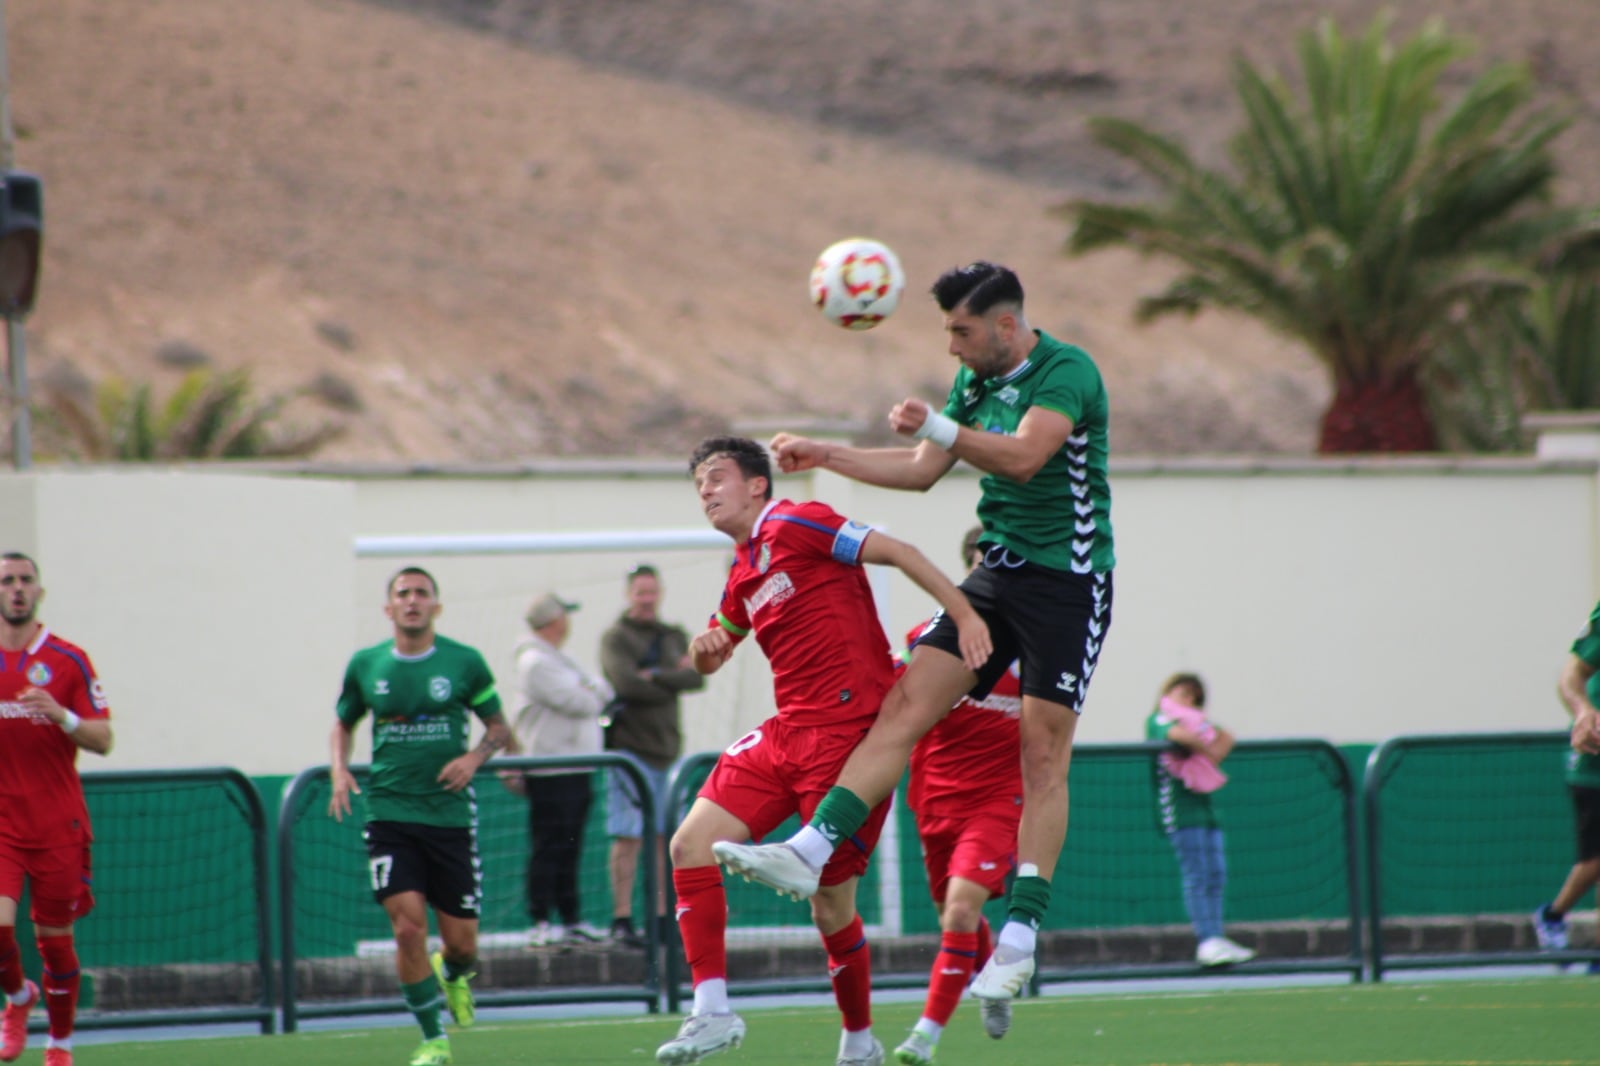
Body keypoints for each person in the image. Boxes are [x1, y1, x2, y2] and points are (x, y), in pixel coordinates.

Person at [713, 261, 1115, 1007]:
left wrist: (939, 424)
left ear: (1003, 325)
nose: (953, 347)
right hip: (998, 572)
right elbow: (925, 469)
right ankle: (813, 847)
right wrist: (829, 455)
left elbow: (1026, 458)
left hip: (1069, 584)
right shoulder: (974, 385)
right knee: (903, 705)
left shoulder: (1067, 370)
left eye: (961, 331)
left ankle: (1022, 935)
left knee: (1042, 752)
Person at [656, 437, 990, 1066]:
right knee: (687, 845)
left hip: (851, 733)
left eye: (717, 477)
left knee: (831, 903)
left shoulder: (798, 520)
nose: (706, 491)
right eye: (698, 483)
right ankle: (711, 1011)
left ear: (758, 485)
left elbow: (898, 550)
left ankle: (859, 1041)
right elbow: (715, 649)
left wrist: (965, 615)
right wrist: (706, 650)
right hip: (789, 731)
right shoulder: (742, 570)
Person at [328, 566, 513, 1066]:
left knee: (462, 946)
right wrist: (340, 770)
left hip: (449, 818)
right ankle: (433, 1038)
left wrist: (474, 758)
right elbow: (342, 723)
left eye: (422, 593)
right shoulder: (366, 664)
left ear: (436, 606)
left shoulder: (464, 663)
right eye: (403, 594)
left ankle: (452, 975)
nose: (412, 601)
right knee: (407, 928)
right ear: (389, 609)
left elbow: (497, 726)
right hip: (389, 812)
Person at [892, 527, 1022, 1066]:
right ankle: (992, 979)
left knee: (962, 911)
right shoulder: (928, 637)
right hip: (936, 796)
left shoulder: (1038, 644)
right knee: (952, 912)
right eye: (980, 564)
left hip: (997, 799)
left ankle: (925, 1034)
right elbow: (900, 699)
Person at [0, 552, 114, 1066]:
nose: (17, 589)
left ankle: (61, 1045)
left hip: (57, 823)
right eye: (7, 581)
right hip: (2, 823)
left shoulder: (68, 660)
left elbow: (104, 738)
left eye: (26, 580)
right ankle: (19, 997)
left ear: (40, 592)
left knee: (56, 944)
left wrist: (61, 714)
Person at [599, 564, 704, 949]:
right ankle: (622, 918)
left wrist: (651, 676)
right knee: (628, 837)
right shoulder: (615, 637)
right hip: (630, 753)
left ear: (660, 593)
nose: (646, 599)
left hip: (669, 752)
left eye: (651, 592)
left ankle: (662, 918)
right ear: (629, 594)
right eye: (639, 592)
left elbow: (696, 676)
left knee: (666, 839)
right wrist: (667, 677)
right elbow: (624, 681)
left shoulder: (673, 634)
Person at [506, 592, 613, 948]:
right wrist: (589, 689)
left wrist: (590, 688)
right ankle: (540, 919)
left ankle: (570, 918)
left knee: (570, 846)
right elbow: (582, 699)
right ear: (554, 621)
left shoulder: (558, 659)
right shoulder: (536, 661)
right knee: (549, 845)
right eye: (564, 615)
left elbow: (600, 689)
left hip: (575, 767)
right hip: (551, 770)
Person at [1146, 673, 1255, 967]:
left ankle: (1216, 936)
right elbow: (1180, 736)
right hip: (1180, 813)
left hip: (1205, 811)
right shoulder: (1158, 720)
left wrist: (1205, 746)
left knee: (1216, 874)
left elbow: (1225, 738)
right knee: (1197, 875)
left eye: (1194, 698)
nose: (1188, 701)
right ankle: (1206, 939)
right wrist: (1202, 744)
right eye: (1182, 693)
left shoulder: (1198, 723)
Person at [1533, 599, 1600, 953]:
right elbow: (1571, 674)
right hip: (1593, 767)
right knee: (1593, 860)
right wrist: (1583, 710)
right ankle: (1554, 914)